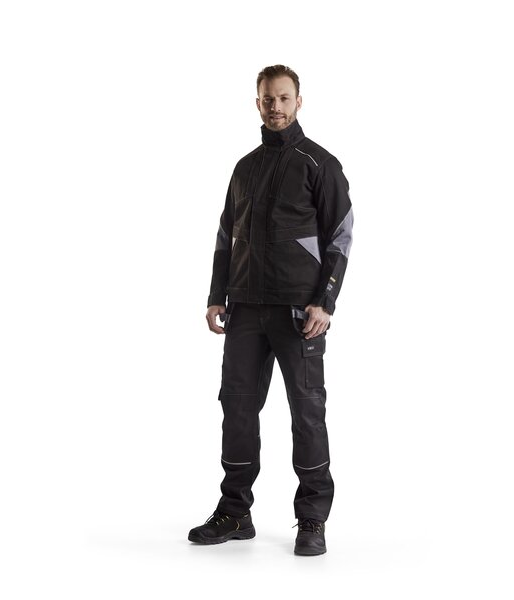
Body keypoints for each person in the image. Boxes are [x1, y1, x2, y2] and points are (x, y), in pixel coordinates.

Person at [188, 64, 353, 556]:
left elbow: (340, 236)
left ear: (299, 101)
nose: (275, 107)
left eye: (283, 98)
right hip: (244, 309)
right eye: (267, 99)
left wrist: (325, 301)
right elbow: (226, 236)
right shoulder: (245, 168)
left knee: (307, 412)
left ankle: (312, 518)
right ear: (257, 103)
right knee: (237, 409)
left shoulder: (319, 163)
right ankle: (235, 513)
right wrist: (217, 295)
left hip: (299, 314)